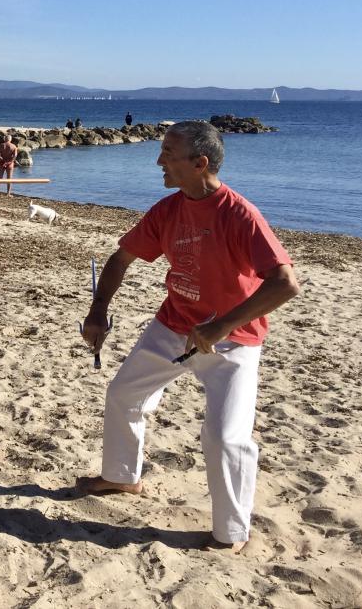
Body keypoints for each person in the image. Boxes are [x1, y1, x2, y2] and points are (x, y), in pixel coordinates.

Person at [76, 120, 300, 552]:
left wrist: (221, 325)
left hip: (234, 340)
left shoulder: (239, 214)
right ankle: (122, 478)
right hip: (173, 325)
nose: (159, 160)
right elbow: (121, 258)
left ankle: (231, 534)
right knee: (124, 394)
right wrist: (98, 310)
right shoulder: (169, 209)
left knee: (224, 437)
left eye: (168, 153)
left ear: (200, 164)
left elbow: (285, 283)